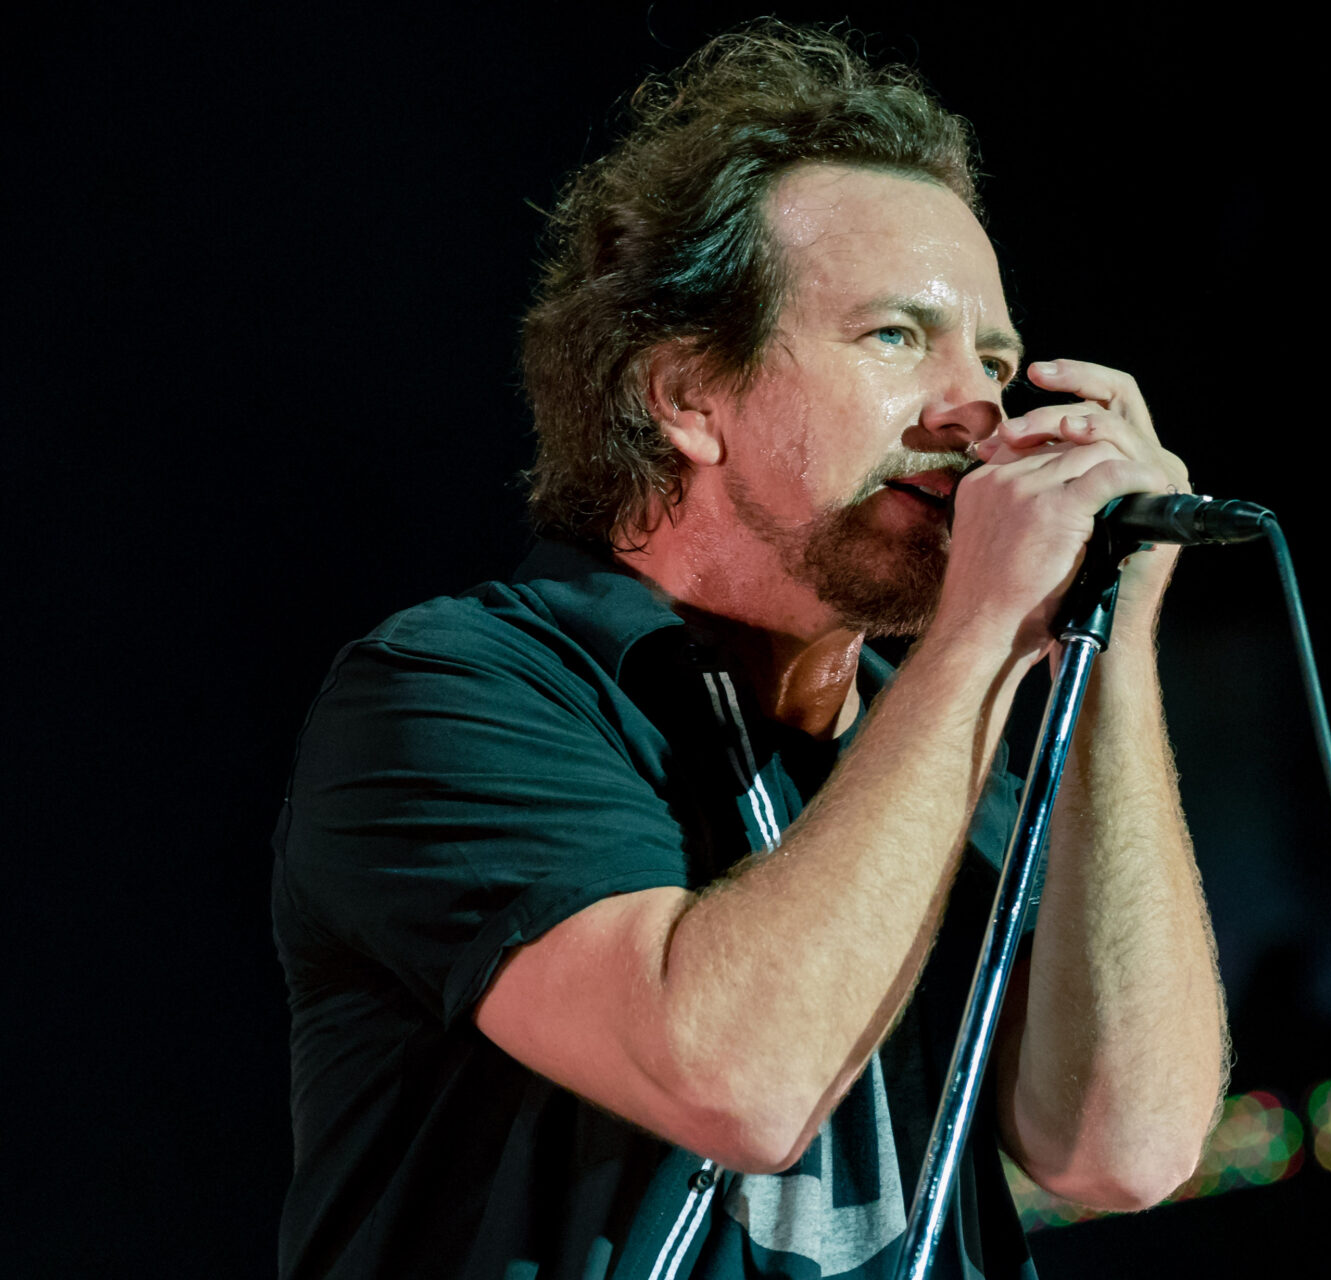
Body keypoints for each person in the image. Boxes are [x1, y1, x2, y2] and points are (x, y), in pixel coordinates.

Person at [272, 23, 1227, 1280]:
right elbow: (737, 1081)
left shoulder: (941, 736)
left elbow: (1125, 1147)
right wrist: (983, 629)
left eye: (995, 358)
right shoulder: (453, 694)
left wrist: (1115, 639)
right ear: (688, 396)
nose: (980, 411)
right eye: (897, 337)